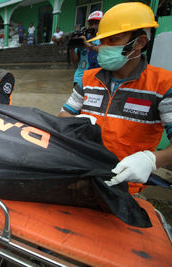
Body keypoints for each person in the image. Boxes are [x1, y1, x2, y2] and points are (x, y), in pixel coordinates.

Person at [59, 2, 172, 195]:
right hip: (83, 175)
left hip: (125, 186)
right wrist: (74, 125)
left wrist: (151, 160)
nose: (104, 47)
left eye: (113, 40)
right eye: (102, 41)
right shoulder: (88, 79)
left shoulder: (162, 85)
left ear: (140, 42)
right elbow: (64, 114)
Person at [69, 11, 103, 87]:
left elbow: (103, 51)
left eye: (96, 23)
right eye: (91, 24)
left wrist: (87, 43)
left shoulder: (105, 39)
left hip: (98, 79)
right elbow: (74, 62)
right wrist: (72, 48)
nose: (93, 26)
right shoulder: (83, 38)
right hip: (80, 79)